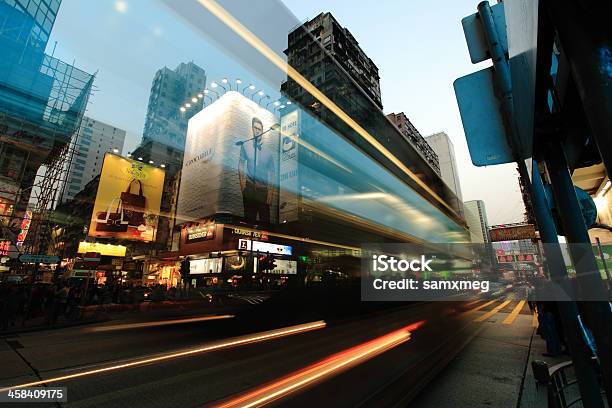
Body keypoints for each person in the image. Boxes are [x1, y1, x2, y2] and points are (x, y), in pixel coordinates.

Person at [238, 117, 275, 224]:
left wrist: (270, 194)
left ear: (262, 131)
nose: (257, 130)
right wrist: (242, 185)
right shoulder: (245, 145)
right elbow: (240, 163)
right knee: (249, 222)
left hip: (263, 191)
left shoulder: (268, 152)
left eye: (259, 128)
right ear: (252, 128)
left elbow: (272, 172)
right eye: (255, 128)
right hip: (249, 189)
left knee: (265, 223)